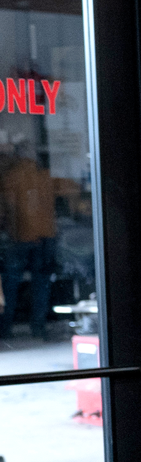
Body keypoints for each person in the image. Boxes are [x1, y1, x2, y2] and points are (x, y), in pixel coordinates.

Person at [0, 141, 61, 342]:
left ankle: (5, 329)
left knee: (10, 285)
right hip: (45, 235)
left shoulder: (10, 177)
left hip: (19, 236)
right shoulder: (45, 176)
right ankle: (38, 328)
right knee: (41, 284)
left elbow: (9, 207)